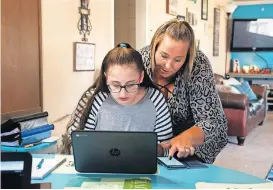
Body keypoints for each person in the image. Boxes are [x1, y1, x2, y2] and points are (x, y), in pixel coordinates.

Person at [138, 19, 228, 164]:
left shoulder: (198, 65)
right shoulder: (138, 61)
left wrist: (187, 137)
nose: (168, 65)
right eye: (163, 56)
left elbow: (213, 121)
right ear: (154, 46)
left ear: (187, 57)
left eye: (178, 60)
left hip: (190, 144)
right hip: (147, 141)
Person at [60, 43, 173, 155]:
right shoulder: (96, 98)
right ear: (106, 78)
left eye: (130, 84)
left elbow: (167, 149)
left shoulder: (155, 99)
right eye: (115, 85)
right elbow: (78, 145)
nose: (122, 94)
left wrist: (159, 150)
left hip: (144, 171)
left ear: (141, 77)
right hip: (99, 168)